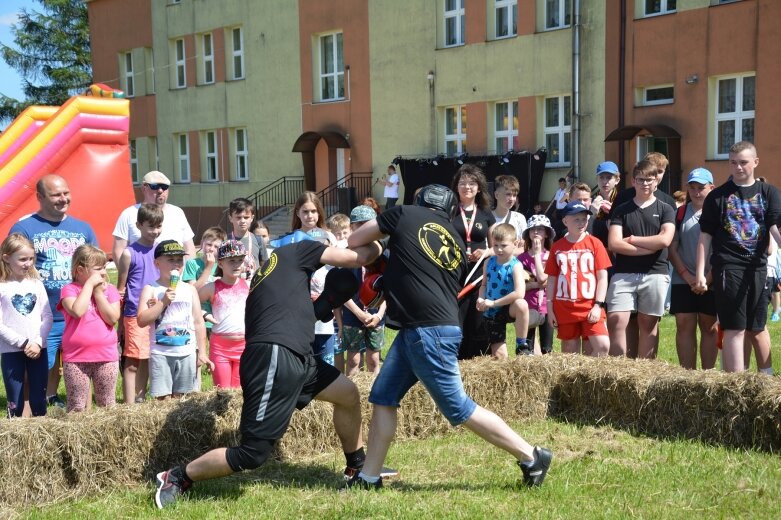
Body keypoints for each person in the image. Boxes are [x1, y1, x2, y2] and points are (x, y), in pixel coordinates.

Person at [153, 229, 386, 509]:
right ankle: (177, 477)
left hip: (293, 356)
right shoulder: (297, 251)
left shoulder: (270, 279)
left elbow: (298, 316)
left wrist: (327, 301)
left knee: (347, 394)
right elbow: (358, 256)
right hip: (276, 357)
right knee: (252, 454)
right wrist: (379, 236)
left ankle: (356, 468)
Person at [346, 184, 552, 490]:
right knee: (383, 397)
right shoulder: (455, 240)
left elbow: (355, 239)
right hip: (425, 328)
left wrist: (380, 251)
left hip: (426, 331)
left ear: (418, 201)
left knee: (458, 408)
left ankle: (532, 456)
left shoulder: (403, 213)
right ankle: (369, 477)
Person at [9, 174, 98, 409]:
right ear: (40, 197)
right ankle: (28, 416)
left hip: (78, 314)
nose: (63, 198)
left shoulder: (83, 228)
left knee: (81, 367)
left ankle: (76, 411)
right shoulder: (24, 227)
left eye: (66, 193)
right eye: (56, 194)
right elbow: (14, 267)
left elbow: (95, 267)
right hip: (39, 314)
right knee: (35, 369)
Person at [695, 141, 781, 374]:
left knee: (757, 327)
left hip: (758, 267)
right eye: (733, 163)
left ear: (755, 162)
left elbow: (774, 226)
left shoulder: (769, 192)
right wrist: (701, 273)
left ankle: (767, 378)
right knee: (734, 327)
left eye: (743, 162)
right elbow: (705, 237)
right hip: (728, 266)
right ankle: (735, 382)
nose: (739, 167)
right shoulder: (717, 197)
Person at [607, 160, 675, 359]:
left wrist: (634, 240)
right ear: (633, 181)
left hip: (655, 272)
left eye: (649, 180)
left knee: (649, 323)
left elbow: (665, 239)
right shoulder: (621, 209)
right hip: (624, 273)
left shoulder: (665, 209)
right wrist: (647, 248)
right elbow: (614, 244)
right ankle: (619, 367)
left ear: (656, 182)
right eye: (640, 179)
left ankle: (645, 370)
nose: (645, 184)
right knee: (616, 319)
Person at [137, 240, 213, 400]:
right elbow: (142, 320)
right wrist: (163, 302)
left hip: (186, 352)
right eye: (170, 260)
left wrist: (202, 352)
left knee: (183, 399)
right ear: (157, 263)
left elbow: (198, 322)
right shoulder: (151, 288)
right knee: (163, 400)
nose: (176, 264)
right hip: (160, 353)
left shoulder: (189, 289)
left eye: (179, 260)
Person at [58, 245, 121, 413]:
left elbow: (113, 318)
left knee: (107, 405)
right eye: (98, 268)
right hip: (76, 358)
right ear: (80, 269)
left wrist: (99, 294)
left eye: (105, 267)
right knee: (77, 406)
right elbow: (77, 311)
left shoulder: (110, 290)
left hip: (106, 356)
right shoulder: (69, 289)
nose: (103, 272)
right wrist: (89, 287)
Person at [545, 201, 611, 356]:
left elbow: (602, 277)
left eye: (584, 219)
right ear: (565, 221)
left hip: (590, 306)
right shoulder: (557, 247)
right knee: (569, 353)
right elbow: (552, 279)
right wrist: (550, 309)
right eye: (576, 219)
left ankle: (592, 379)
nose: (581, 223)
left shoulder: (595, 244)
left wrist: (598, 305)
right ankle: (573, 381)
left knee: (601, 346)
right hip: (565, 307)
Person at [668, 168, 718, 370]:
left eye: (701, 188)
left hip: (711, 279)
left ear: (711, 188)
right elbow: (672, 248)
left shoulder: (719, 213)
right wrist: (688, 276)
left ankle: (706, 375)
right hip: (683, 279)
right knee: (684, 325)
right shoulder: (680, 213)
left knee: (709, 327)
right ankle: (688, 375)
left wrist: (708, 278)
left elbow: (723, 251)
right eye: (692, 188)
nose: (696, 192)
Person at [0, 234, 52, 417]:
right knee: (15, 401)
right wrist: (23, 343)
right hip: (11, 351)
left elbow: (47, 316)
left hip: (38, 348)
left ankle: (42, 437)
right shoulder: (2, 287)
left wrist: (38, 342)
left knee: (39, 399)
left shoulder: (36, 284)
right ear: (6, 258)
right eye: (22, 259)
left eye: (31, 258)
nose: (28, 263)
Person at [115, 203, 163, 403]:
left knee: (149, 357)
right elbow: (121, 287)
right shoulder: (129, 253)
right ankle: (129, 403)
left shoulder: (162, 251)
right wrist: (119, 322)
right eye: (150, 226)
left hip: (157, 311)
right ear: (139, 225)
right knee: (133, 359)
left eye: (159, 226)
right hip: (134, 312)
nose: (155, 231)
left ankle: (140, 396)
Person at [450, 164, 494, 359]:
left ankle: (477, 362)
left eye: (471, 183)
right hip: (454, 273)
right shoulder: (449, 211)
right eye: (462, 183)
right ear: (456, 186)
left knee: (477, 321)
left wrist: (485, 252)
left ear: (478, 187)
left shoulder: (485, 213)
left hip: (478, 275)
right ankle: (454, 362)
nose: (467, 187)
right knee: (455, 322)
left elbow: (496, 247)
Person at [111, 170, 196, 263]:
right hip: (142, 276)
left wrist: (187, 275)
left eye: (164, 187)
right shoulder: (129, 214)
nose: (160, 191)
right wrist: (128, 275)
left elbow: (190, 249)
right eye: (155, 186)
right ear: (144, 188)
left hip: (175, 275)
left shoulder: (178, 212)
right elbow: (118, 251)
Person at [341, 205, 387, 376]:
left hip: (376, 314)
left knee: (374, 359)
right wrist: (359, 313)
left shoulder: (383, 256)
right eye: (358, 225)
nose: (363, 229)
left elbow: (389, 290)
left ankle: (374, 393)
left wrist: (379, 315)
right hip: (353, 314)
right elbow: (341, 292)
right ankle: (351, 395)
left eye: (367, 225)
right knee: (353, 359)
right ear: (351, 227)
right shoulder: (345, 255)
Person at [197, 240, 249, 389]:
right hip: (221, 348)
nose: (237, 265)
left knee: (240, 392)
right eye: (231, 261)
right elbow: (191, 303)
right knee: (222, 391)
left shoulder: (249, 285)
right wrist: (204, 313)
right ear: (220, 264)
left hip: (244, 346)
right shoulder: (212, 287)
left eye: (240, 260)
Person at [477, 223, 529, 359]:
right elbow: (483, 285)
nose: (499, 250)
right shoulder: (488, 262)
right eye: (496, 245)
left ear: (515, 244)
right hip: (492, 313)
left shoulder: (516, 265)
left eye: (503, 245)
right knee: (500, 357)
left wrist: (494, 303)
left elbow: (519, 293)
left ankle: (521, 344)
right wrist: (481, 298)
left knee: (521, 304)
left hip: (507, 307)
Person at [518, 215, 555, 355]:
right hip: (528, 306)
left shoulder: (552, 256)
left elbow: (542, 278)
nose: (536, 232)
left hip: (547, 306)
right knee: (527, 347)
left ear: (546, 233)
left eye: (540, 229)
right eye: (532, 229)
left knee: (547, 348)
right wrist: (537, 285)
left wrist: (538, 255)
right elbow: (520, 286)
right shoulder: (521, 259)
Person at [227, 198, 268, 280]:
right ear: (231, 218)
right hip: (232, 287)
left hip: (254, 286)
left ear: (252, 218)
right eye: (238, 217)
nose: (242, 221)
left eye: (246, 217)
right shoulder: (225, 240)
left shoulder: (258, 240)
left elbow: (265, 265)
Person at [591, 161, 621, 251]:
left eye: (609, 178)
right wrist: (592, 214)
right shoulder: (591, 201)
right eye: (601, 177)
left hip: (617, 252)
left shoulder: (622, 201)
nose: (605, 182)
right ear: (597, 179)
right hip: (597, 250)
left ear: (617, 180)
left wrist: (614, 213)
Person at [492, 175, 527, 243]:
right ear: (496, 195)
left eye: (514, 195)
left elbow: (525, 247)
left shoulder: (519, 218)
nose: (512, 199)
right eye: (508, 194)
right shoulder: (486, 218)